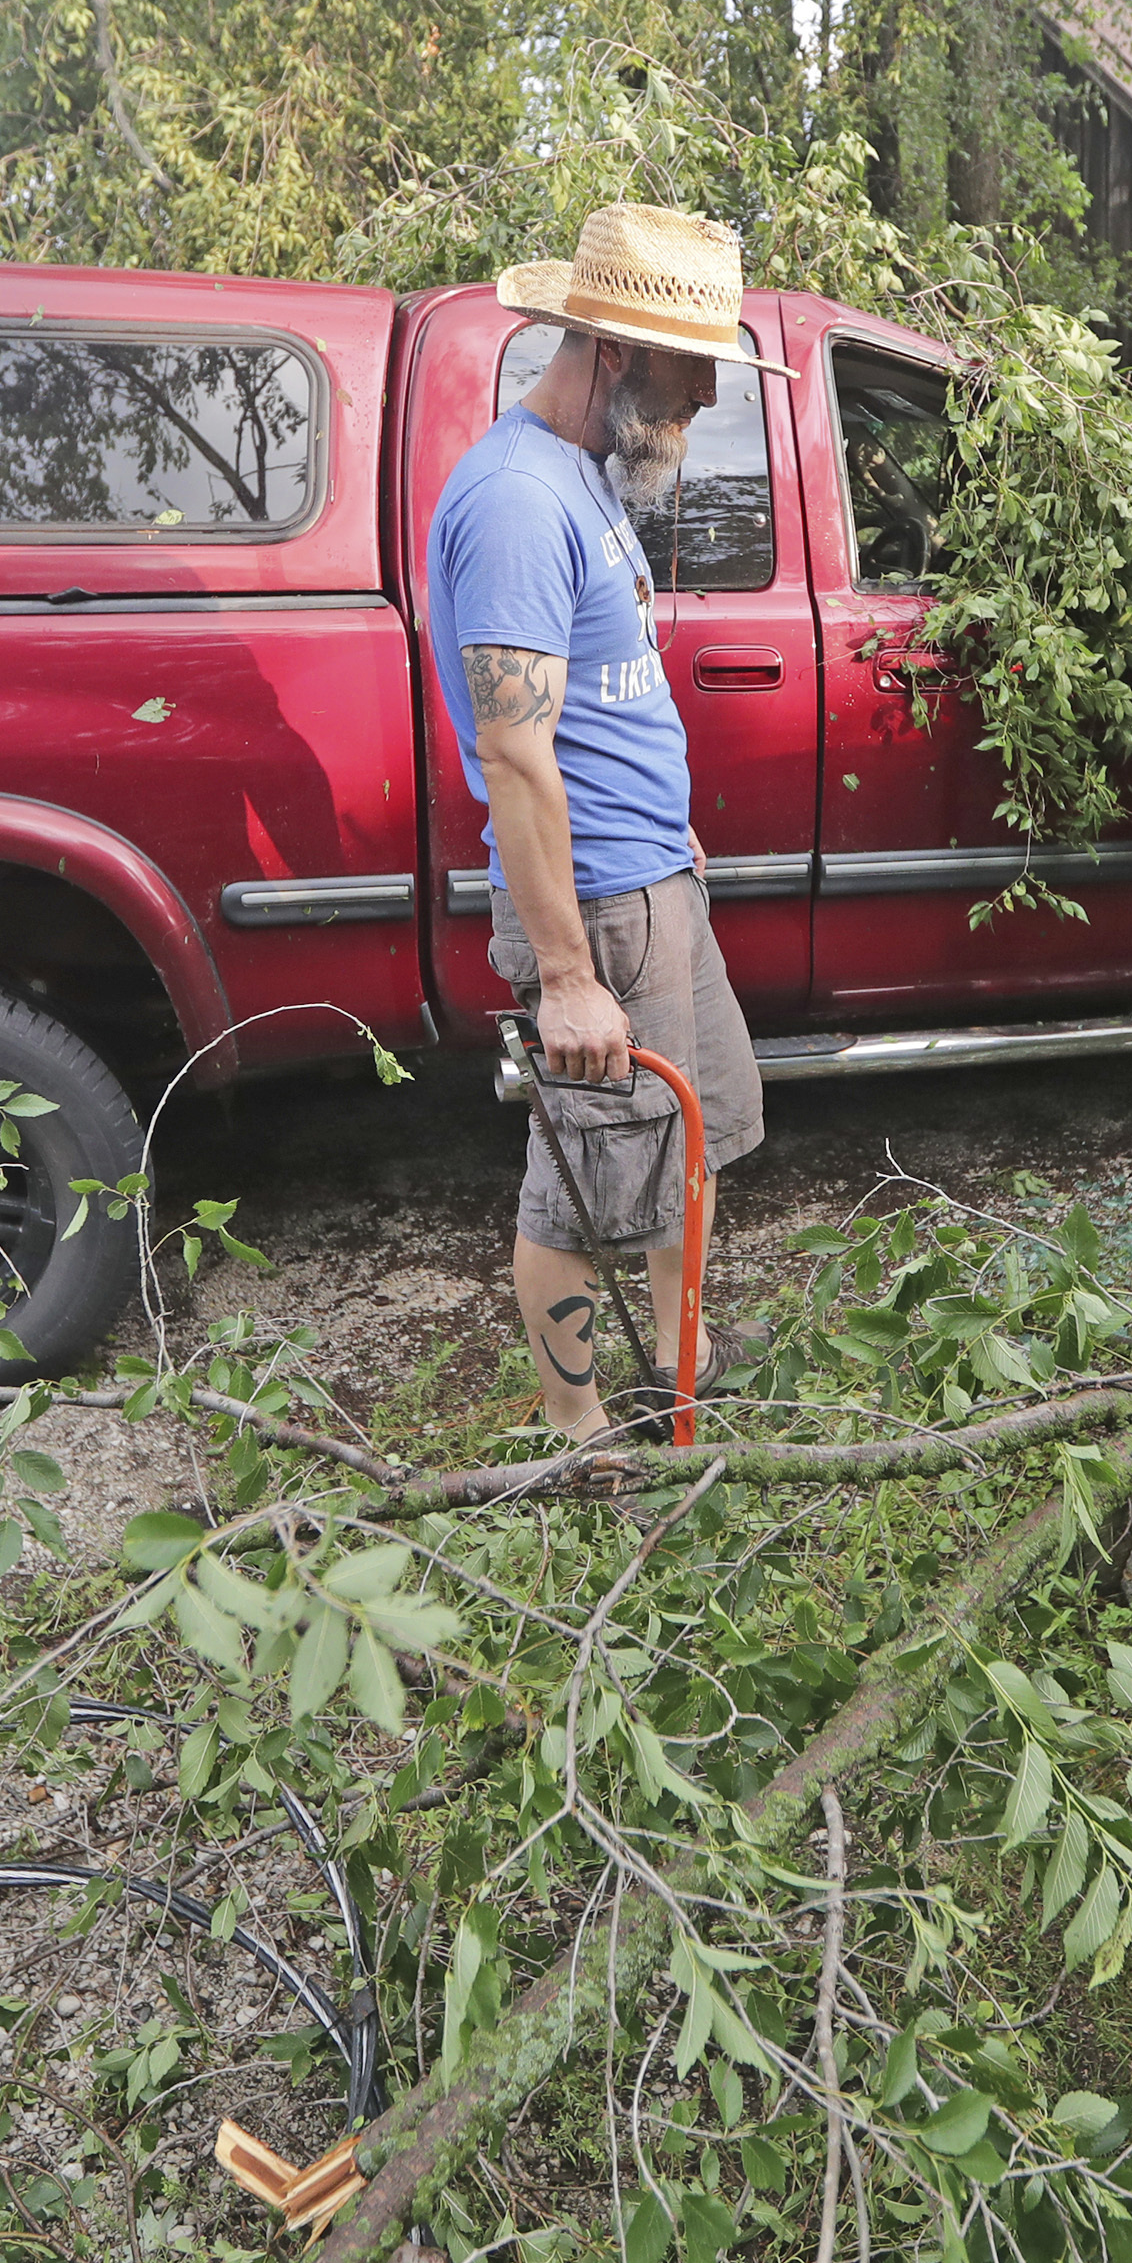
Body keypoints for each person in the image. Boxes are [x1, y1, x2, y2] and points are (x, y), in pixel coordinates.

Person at [426, 203, 785, 1447]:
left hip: (655, 887)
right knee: (581, 1188)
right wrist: (570, 973)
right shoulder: (521, 500)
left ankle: (678, 1371)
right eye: (691, 376)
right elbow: (516, 759)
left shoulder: (587, 474)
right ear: (617, 354)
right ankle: (578, 1429)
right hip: (600, 917)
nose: (704, 401)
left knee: (687, 1140)